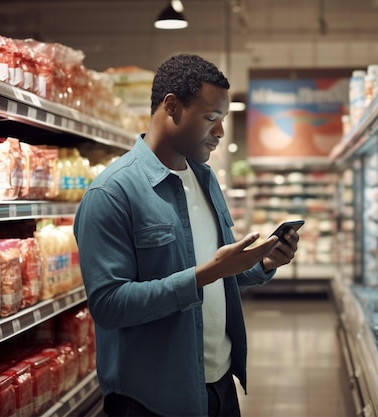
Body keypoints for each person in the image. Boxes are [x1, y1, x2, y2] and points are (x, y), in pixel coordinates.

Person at [73, 54, 299, 417]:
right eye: (211, 118)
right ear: (172, 107)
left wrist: (264, 262)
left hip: (220, 384)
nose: (221, 133)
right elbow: (109, 305)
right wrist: (205, 273)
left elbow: (219, 271)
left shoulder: (205, 180)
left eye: (222, 120)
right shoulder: (112, 194)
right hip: (151, 400)